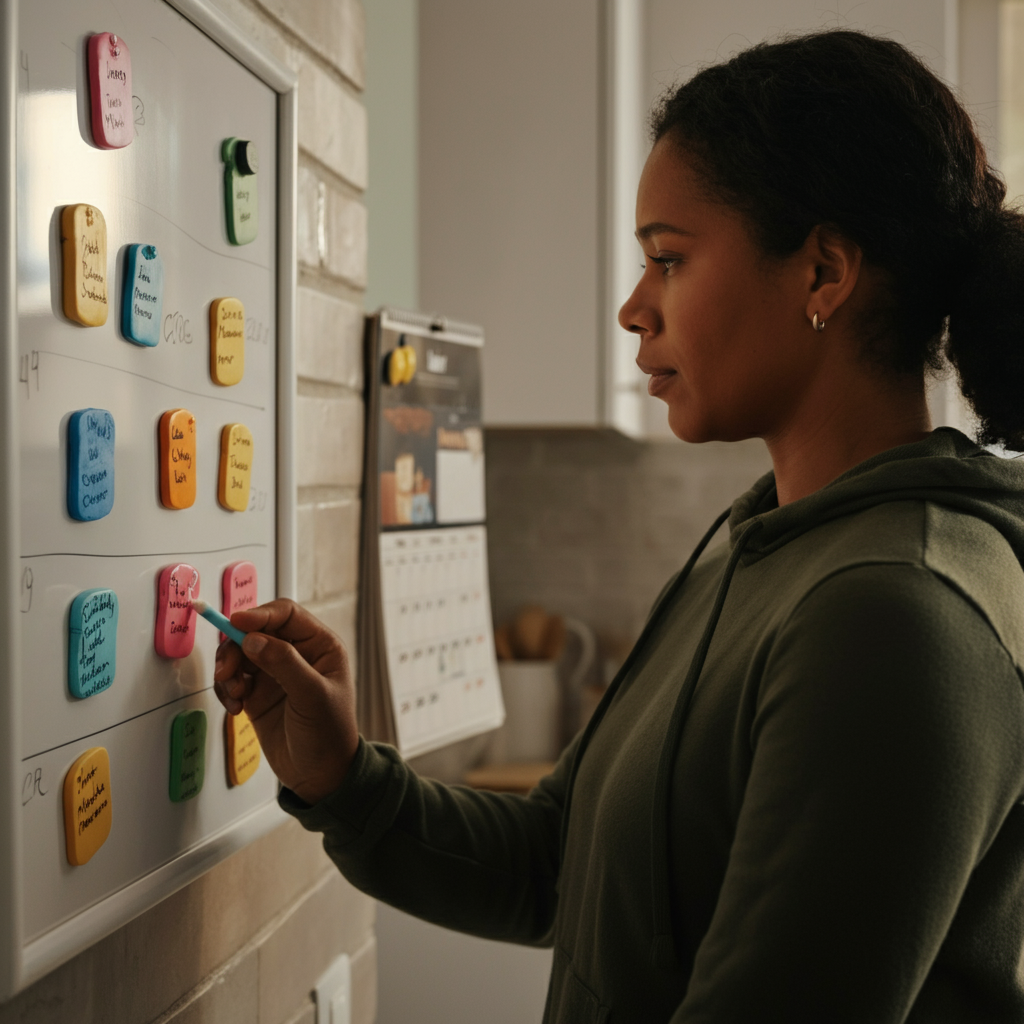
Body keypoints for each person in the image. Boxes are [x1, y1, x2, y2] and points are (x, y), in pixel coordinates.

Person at [215, 30, 1024, 1023]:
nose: (633, 310)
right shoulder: (757, 542)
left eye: (669, 260)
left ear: (822, 274)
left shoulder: (894, 616)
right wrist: (342, 775)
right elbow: (563, 865)